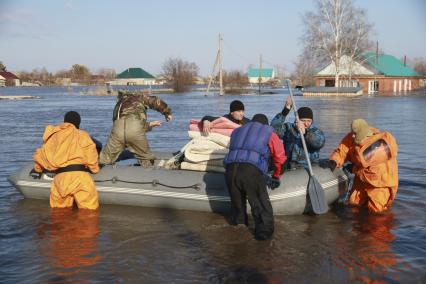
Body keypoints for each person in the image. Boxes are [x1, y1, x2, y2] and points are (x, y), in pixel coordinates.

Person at [223, 113, 287, 240]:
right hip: (250, 171)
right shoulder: (269, 133)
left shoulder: (237, 131)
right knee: (261, 206)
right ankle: (264, 239)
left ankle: (239, 233)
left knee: (237, 207)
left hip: (230, 170)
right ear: (265, 124)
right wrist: (276, 176)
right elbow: (280, 158)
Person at [320, 119, 398, 213]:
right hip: (361, 178)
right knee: (354, 204)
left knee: (376, 213)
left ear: (362, 134)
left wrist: (353, 169)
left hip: (381, 184)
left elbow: (374, 174)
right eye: (352, 133)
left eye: (355, 134)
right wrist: (334, 161)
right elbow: (343, 150)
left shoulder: (380, 149)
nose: (352, 136)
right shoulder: (353, 136)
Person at [32, 111, 100, 209]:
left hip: (60, 179)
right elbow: (91, 156)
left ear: (64, 121)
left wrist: (37, 169)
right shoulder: (83, 135)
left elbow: (42, 155)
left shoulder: (53, 136)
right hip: (81, 178)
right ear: (78, 124)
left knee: (59, 214)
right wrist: (95, 169)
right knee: (89, 214)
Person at [99, 90, 172, 167]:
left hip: (117, 133)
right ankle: (148, 170)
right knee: (146, 159)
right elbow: (154, 101)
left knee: (105, 159)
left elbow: (124, 127)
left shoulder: (118, 106)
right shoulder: (139, 97)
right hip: (135, 132)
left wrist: (150, 124)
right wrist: (167, 112)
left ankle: (97, 171)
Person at [271, 96, 325, 170]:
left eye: (309, 121)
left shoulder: (315, 131)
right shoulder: (289, 128)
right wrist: (285, 111)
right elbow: (273, 130)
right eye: (303, 120)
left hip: (308, 167)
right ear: (297, 120)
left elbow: (319, 142)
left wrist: (306, 134)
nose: (306, 124)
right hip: (289, 167)